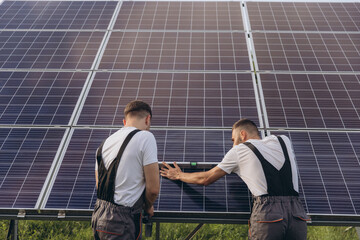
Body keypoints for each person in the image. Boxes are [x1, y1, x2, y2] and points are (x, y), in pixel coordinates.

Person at [161, 118, 310, 240]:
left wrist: (179, 175)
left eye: (233, 139)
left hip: (268, 215)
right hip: (297, 213)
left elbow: (206, 178)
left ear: (243, 135)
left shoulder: (239, 150)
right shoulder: (284, 141)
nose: (233, 144)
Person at [92, 100, 160, 240]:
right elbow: (153, 189)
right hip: (121, 222)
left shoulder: (105, 143)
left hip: (99, 216)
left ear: (124, 122)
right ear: (147, 119)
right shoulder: (145, 137)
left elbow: (99, 184)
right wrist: (148, 206)